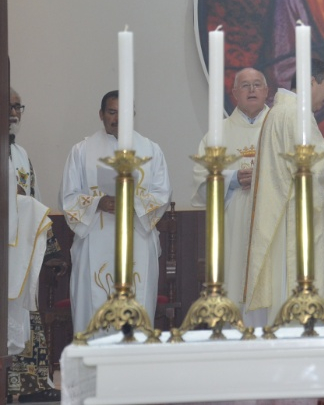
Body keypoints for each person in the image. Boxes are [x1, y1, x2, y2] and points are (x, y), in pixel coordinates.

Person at [243, 59, 324, 326]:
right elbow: (309, 171)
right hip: (297, 224)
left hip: (286, 218)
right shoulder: (296, 115)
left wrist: (322, 149)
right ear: (311, 82)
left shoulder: (280, 111)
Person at [59, 90, 172, 332]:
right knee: (93, 309)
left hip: (137, 240)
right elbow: (68, 198)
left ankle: (135, 367)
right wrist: (98, 202)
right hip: (94, 239)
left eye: (124, 112)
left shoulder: (150, 150)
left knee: (137, 305)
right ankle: (93, 369)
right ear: (101, 115)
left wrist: (132, 204)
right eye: (112, 112)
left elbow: (162, 194)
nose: (118, 118)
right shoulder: (81, 151)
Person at [191, 68, 269, 324]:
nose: (252, 90)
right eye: (245, 86)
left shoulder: (281, 128)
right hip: (233, 223)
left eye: (257, 85)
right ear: (234, 94)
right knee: (236, 281)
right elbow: (202, 179)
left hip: (273, 220)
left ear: (267, 91)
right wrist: (233, 179)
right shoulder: (217, 134)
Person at [7, 89, 59, 403]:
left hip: (21, 252)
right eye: (8, 106)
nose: (14, 113)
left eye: (18, 107)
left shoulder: (22, 153)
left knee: (25, 313)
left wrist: (50, 249)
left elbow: (35, 202)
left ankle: (28, 384)